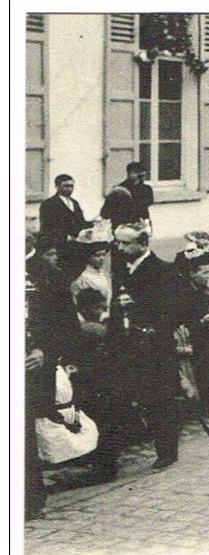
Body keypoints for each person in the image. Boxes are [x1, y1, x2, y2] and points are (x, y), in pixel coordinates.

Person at [107, 222, 195, 471]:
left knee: (160, 398)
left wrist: (157, 327)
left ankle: (167, 451)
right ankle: (111, 460)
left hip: (154, 347)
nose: (120, 248)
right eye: (118, 242)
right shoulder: (122, 269)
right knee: (124, 396)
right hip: (126, 344)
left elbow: (182, 306)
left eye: (126, 243)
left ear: (143, 244)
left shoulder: (163, 270)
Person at [25, 222, 82, 518]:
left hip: (32, 366)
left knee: (23, 432)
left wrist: (45, 351)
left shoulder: (49, 274)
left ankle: (29, 501)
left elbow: (67, 326)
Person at [38, 174, 88, 250]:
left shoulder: (75, 203)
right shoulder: (48, 204)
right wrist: (66, 237)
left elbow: (81, 221)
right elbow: (47, 227)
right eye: (66, 186)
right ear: (57, 187)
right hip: (58, 246)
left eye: (71, 186)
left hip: (77, 245)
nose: (69, 189)